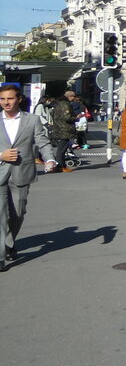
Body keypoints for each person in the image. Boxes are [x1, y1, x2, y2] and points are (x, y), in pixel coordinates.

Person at [0, 82, 57, 271]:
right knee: (0, 215)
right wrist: (1, 155)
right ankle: (1, 255)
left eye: (9, 98)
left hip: (21, 172)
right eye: (2, 99)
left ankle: (9, 241)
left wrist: (49, 160)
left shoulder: (32, 120)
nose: (6, 102)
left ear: (19, 99)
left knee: (18, 212)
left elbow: (42, 141)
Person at [48, 91, 76, 172]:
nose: (74, 98)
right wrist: (76, 118)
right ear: (70, 96)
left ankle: (60, 165)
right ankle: (60, 166)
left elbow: (53, 114)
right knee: (62, 148)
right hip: (65, 129)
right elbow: (67, 117)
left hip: (58, 127)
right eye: (73, 96)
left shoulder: (58, 103)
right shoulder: (65, 104)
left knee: (61, 148)